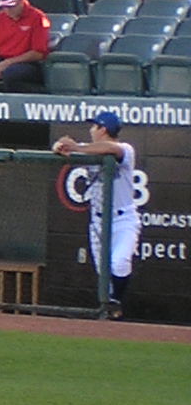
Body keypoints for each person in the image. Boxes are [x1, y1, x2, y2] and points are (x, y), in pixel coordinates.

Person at [54, 112, 140, 318]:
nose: (91, 130)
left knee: (119, 263)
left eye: (94, 126)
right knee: (105, 274)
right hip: (98, 222)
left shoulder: (126, 148)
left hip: (123, 219)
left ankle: (114, 303)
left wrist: (75, 147)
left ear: (103, 129)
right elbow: (60, 148)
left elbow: (111, 149)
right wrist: (60, 146)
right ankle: (109, 310)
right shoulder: (88, 148)